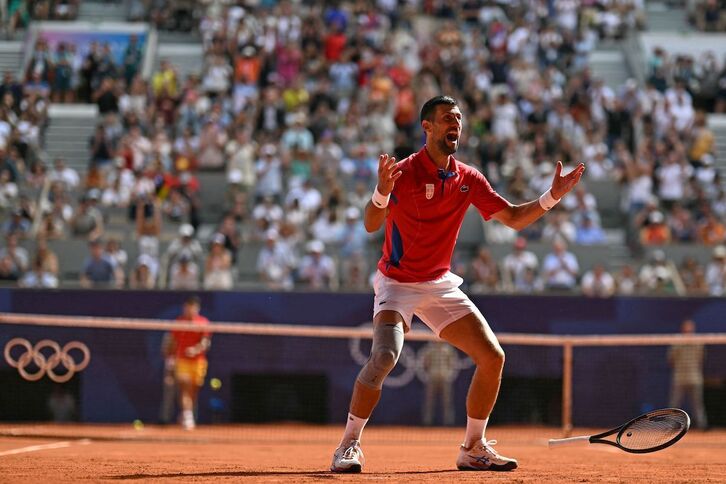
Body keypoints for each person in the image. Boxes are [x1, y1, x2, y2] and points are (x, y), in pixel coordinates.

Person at [330, 96, 585, 473]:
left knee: (492, 357)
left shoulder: (469, 178)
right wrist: (381, 191)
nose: (457, 124)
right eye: (448, 118)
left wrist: (552, 198)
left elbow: (513, 218)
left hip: (439, 284)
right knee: (384, 357)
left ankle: (473, 447)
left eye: (460, 118)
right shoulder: (402, 172)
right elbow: (371, 223)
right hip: (397, 283)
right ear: (427, 127)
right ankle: (348, 446)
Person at [162, 296, 211, 430]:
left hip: (198, 362)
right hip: (182, 360)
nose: (190, 310)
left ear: (197, 308)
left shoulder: (203, 322)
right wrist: (170, 359)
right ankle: (188, 417)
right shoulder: (178, 322)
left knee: (193, 390)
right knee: (185, 386)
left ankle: (185, 413)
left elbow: (205, 342)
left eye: (192, 307)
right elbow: (172, 342)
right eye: (187, 307)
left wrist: (195, 350)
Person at [668, 319, 708, 430]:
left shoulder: (698, 341)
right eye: (686, 327)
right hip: (679, 378)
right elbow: (671, 359)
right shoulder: (676, 341)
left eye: (690, 327)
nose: (688, 329)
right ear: (682, 328)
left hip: (695, 378)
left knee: (697, 405)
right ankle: (671, 426)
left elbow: (701, 359)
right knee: (674, 404)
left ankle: (702, 426)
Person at [420, 341, 459, 426]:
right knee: (429, 401)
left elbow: (453, 363)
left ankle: (448, 422)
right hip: (432, 378)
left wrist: (449, 375)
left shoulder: (448, 349)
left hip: (445, 378)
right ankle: (427, 422)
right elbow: (424, 362)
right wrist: (427, 374)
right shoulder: (429, 349)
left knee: (447, 401)